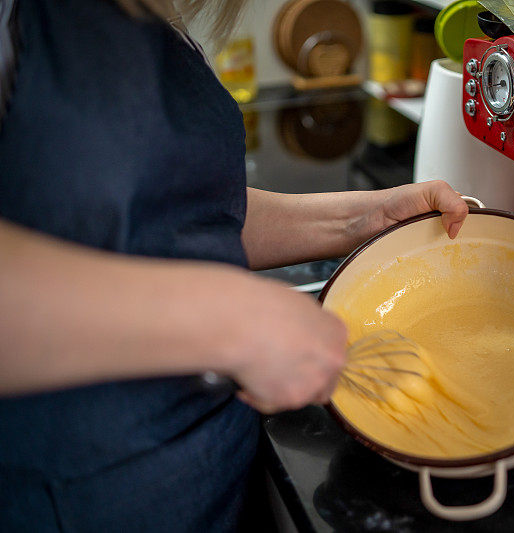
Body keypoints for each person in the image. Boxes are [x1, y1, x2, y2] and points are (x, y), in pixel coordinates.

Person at [0, 0, 468, 530]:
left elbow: (173, 217)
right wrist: (228, 319)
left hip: (205, 472)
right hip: (78, 493)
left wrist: (362, 220)